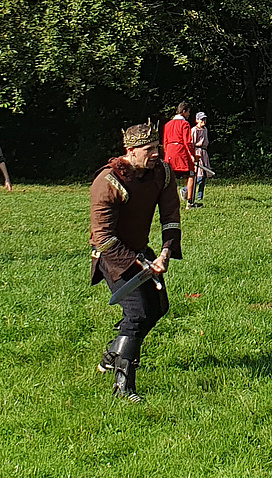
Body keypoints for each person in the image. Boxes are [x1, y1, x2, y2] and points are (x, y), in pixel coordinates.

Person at [90, 120, 182, 402]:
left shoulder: (162, 173)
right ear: (130, 150)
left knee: (157, 307)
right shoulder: (107, 182)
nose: (157, 154)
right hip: (112, 257)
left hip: (143, 252)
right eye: (149, 149)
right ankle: (123, 386)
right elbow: (102, 237)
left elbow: (170, 216)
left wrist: (166, 251)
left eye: (158, 147)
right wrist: (138, 264)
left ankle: (112, 353)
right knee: (138, 313)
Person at [163, 102, 197, 209]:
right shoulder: (185, 124)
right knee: (191, 174)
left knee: (171, 177)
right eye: (188, 112)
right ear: (183, 112)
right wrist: (193, 155)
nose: (188, 114)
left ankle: (169, 201)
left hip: (169, 152)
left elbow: (165, 142)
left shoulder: (167, 124)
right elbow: (187, 142)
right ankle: (189, 202)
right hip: (181, 152)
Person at [191, 111, 213, 201]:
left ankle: (200, 197)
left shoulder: (205, 129)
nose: (203, 121)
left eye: (204, 119)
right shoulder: (194, 130)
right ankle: (186, 190)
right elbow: (192, 143)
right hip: (197, 152)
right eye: (201, 119)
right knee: (198, 176)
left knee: (203, 176)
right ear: (197, 120)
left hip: (204, 153)